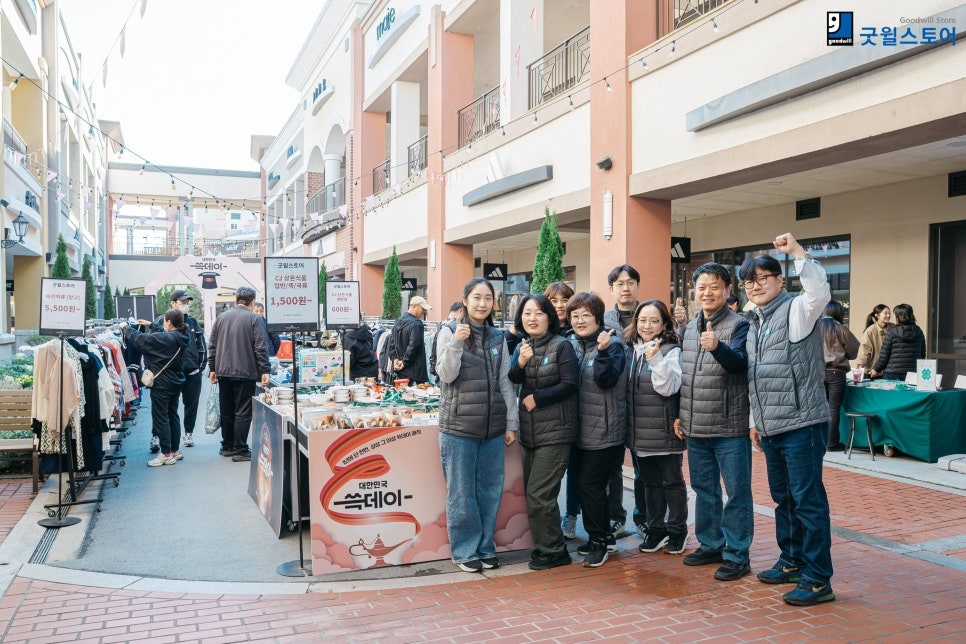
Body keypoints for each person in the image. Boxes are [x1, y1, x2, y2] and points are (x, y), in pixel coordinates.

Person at [741, 232, 835, 607]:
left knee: (808, 501)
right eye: (749, 280)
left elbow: (819, 294)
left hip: (802, 424)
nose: (756, 285)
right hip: (770, 428)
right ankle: (792, 559)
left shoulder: (797, 309)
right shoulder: (755, 320)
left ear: (780, 280)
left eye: (763, 278)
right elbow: (755, 375)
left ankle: (818, 579)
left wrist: (798, 253)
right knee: (784, 500)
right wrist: (754, 419)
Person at [674, 262, 753, 582]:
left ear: (727, 291)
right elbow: (685, 376)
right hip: (695, 425)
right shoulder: (690, 327)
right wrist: (680, 414)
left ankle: (737, 554)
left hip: (728, 426)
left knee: (736, 491)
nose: (707, 292)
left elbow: (740, 365)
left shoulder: (740, 325)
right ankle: (711, 544)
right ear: (695, 292)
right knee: (703, 489)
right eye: (702, 287)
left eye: (714, 287)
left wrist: (718, 347)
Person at [436, 278, 518, 573]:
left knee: (489, 491)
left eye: (487, 298)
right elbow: (446, 375)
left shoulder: (497, 337)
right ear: (466, 300)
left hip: (493, 429)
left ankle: (485, 547)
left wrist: (511, 423)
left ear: (493, 303)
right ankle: (465, 550)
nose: (482, 303)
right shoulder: (447, 332)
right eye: (476, 298)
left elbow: (506, 383)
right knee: (461, 492)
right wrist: (458, 341)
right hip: (458, 428)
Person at [507, 294, 579, 571]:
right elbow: (513, 381)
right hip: (530, 433)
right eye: (527, 314)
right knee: (535, 494)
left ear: (550, 316)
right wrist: (521, 363)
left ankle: (555, 550)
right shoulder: (524, 346)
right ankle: (547, 545)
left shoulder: (562, 346)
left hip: (556, 433)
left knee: (539, 494)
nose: (532, 318)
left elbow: (571, 383)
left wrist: (539, 398)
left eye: (538, 313)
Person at [624, 300, 689, 556]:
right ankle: (656, 529)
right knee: (649, 483)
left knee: (672, 482)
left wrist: (657, 359)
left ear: (664, 324)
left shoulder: (671, 350)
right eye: (642, 320)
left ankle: (677, 530)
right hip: (639, 431)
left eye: (653, 321)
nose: (647, 326)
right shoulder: (632, 349)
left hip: (664, 428)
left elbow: (668, 387)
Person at [567, 292, 627, 568]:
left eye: (585, 315)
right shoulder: (574, 344)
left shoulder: (612, 344)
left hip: (605, 431)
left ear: (598, 317)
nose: (580, 321)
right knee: (587, 486)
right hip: (579, 431)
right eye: (575, 315)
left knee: (589, 485)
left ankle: (600, 542)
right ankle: (603, 538)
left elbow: (606, 380)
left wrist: (602, 351)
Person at [207, 286, 271, 462]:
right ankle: (240, 449)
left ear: (236, 300)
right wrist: (265, 369)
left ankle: (227, 445)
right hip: (245, 371)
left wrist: (212, 368)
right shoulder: (255, 319)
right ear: (252, 302)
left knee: (227, 409)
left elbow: (212, 345)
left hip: (223, 371)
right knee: (243, 410)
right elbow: (260, 347)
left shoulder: (221, 318)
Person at [601, 264, 641, 539]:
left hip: (644, 402)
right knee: (612, 467)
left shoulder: (650, 315)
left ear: (637, 285)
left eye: (630, 282)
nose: (625, 288)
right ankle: (616, 517)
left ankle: (646, 517)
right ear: (612, 289)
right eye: (619, 283)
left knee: (645, 467)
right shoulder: (603, 320)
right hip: (613, 401)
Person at [120, 310, 189, 467]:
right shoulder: (182, 336)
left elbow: (141, 339)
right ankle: (175, 450)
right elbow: (164, 336)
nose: (163, 324)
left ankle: (165, 454)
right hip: (175, 381)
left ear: (169, 323)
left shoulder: (167, 338)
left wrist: (125, 327)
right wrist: (151, 324)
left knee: (161, 418)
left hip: (161, 383)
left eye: (164, 321)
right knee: (173, 415)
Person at [544, 281, 581, 540]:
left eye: (564, 299)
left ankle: (571, 516)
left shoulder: (579, 330)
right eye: (554, 300)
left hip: (579, 411)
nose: (560, 305)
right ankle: (552, 517)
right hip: (549, 415)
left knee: (576, 471)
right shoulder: (540, 331)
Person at [150, 290, 206, 451]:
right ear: (173, 303)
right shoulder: (161, 322)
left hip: (191, 373)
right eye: (182, 302)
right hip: (169, 374)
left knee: (191, 405)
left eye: (187, 302)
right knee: (163, 408)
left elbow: (201, 347)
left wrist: (199, 368)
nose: (185, 305)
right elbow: (151, 348)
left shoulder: (193, 323)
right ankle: (156, 436)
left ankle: (188, 434)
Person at [819, 301, 860, 450]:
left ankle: (820, 441)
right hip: (837, 373)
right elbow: (854, 351)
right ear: (838, 313)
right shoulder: (841, 329)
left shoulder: (815, 328)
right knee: (833, 408)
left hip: (818, 373)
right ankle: (832, 443)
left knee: (820, 409)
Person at [870, 303, 926, 381]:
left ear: (899, 317)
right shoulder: (919, 331)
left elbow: (884, 355)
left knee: (890, 393)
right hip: (913, 373)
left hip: (892, 373)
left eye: (894, 315)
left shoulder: (892, 332)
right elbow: (922, 354)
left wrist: (876, 369)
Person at [391, 296, 432, 384]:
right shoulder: (417, 324)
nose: (424, 312)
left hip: (400, 371)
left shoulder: (397, 322)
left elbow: (392, 344)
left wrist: (395, 360)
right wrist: (404, 362)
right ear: (414, 306)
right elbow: (413, 346)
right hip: (415, 373)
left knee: (402, 395)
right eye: (422, 308)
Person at [855, 304, 892, 378]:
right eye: (885, 313)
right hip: (872, 372)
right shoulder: (870, 331)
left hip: (889, 371)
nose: (888, 315)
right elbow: (864, 351)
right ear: (877, 315)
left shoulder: (893, 328)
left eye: (889, 313)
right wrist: (858, 369)